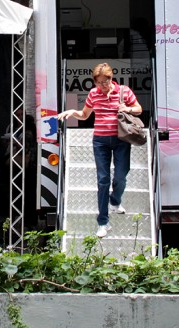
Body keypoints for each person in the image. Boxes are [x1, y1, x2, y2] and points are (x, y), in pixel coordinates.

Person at [57, 63, 142, 238]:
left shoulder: (124, 91)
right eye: (98, 82)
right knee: (103, 180)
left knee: (121, 175)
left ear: (111, 79)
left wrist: (127, 108)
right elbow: (85, 115)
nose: (102, 85)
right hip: (100, 141)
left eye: (105, 81)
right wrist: (72, 111)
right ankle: (103, 222)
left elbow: (139, 109)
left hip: (121, 139)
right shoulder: (93, 94)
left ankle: (115, 200)